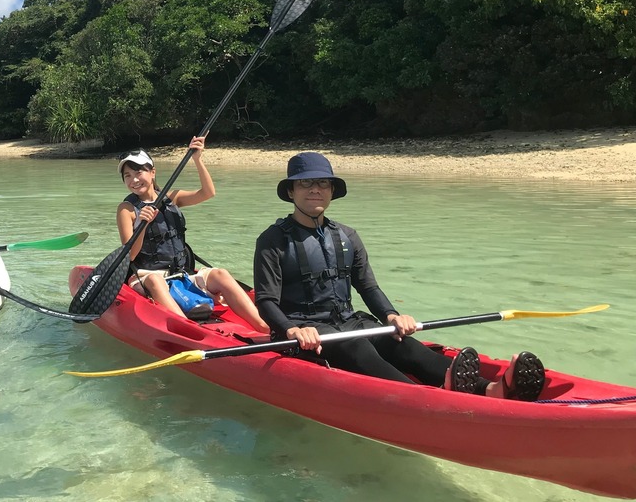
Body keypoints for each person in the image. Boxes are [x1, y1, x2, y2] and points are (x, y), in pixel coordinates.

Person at [253, 152, 546, 400]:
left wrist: (392, 316)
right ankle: (425, 398)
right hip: (306, 331)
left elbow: (368, 287)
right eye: (305, 183)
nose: (315, 189)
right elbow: (266, 301)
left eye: (322, 183)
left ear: (331, 191)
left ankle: (490, 389)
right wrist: (292, 330)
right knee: (355, 345)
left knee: (398, 342)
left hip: (348, 321)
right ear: (291, 192)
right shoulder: (273, 240)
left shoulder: (346, 236)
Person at [117, 136, 268, 332]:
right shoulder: (126, 209)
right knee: (156, 280)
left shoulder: (171, 197)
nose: (134, 180)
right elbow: (130, 255)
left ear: (153, 172)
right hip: (146, 276)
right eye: (127, 176)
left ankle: (264, 327)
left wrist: (197, 159)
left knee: (220, 274)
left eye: (139, 172)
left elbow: (207, 193)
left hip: (180, 274)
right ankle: (189, 330)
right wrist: (142, 225)